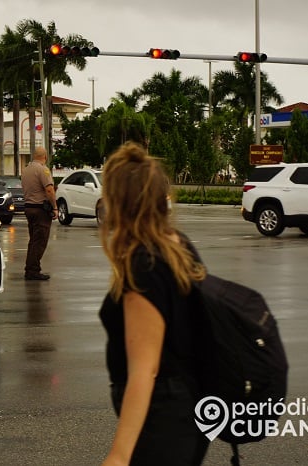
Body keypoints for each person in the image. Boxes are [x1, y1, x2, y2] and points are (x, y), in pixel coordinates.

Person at [98, 142, 209, 465]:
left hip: (162, 418)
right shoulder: (178, 245)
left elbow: (146, 370)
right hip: (189, 407)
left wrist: (119, 454)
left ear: (120, 203)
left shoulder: (143, 267)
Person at [21, 147, 57, 280]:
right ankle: (32, 271)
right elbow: (49, 190)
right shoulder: (43, 169)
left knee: (33, 240)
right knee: (40, 241)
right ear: (45, 156)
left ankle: (30, 268)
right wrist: (54, 207)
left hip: (29, 208)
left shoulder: (26, 170)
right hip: (40, 209)